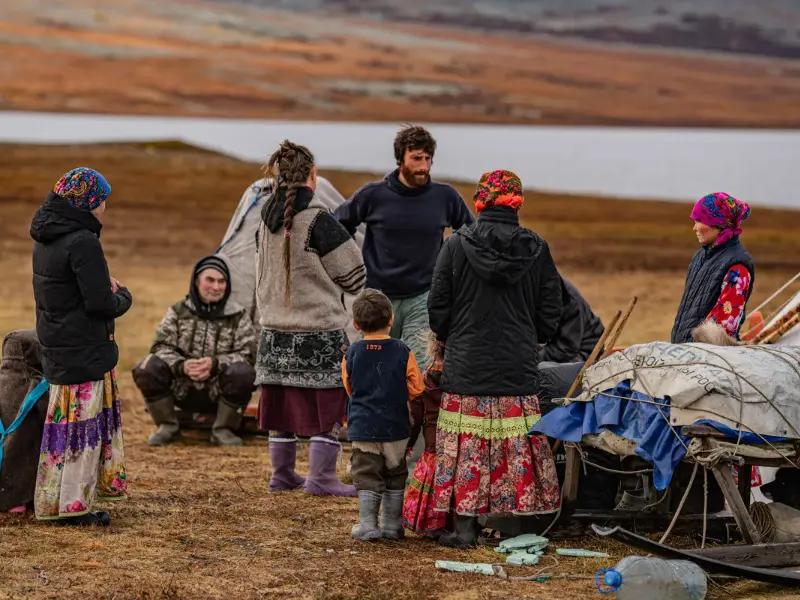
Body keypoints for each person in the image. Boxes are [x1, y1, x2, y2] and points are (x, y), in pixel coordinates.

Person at [427, 169, 563, 548]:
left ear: (480, 202)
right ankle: (516, 526)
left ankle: (466, 528)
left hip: (467, 364)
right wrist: (533, 337)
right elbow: (552, 307)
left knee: (469, 449)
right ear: (517, 203)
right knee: (514, 446)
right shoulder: (537, 248)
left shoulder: (455, 246)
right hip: (516, 364)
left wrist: (449, 336)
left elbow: (438, 304)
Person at [255, 140, 366, 496]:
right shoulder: (320, 220)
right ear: (312, 176)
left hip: (273, 332)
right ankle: (321, 479)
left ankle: (282, 475)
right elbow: (354, 276)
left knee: (282, 407)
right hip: (318, 331)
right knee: (327, 406)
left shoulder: (265, 220)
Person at [30, 167, 132, 526]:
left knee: (62, 429)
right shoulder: (83, 241)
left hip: (59, 345)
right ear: (89, 202)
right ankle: (73, 508)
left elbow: (68, 291)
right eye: (102, 199)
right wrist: (122, 296)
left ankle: (53, 500)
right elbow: (99, 304)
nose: (105, 206)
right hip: (83, 348)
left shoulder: (47, 237)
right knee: (82, 431)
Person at [334, 125, 473, 365]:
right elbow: (337, 225)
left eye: (428, 158)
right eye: (416, 158)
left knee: (418, 370)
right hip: (376, 298)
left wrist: (452, 272)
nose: (424, 166)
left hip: (423, 297)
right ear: (401, 159)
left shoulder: (445, 197)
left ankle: (412, 404)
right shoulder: (372, 195)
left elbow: (471, 235)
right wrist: (350, 265)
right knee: (372, 368)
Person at [132, 256, 257, 446]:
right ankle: (168, 426)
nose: (216, 287)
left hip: (219, 391)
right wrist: (182, 366)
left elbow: (248, 354)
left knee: (244, 372)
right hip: (181, 389)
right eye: (210, 280)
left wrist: (214, 365)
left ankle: (223, 429)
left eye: (221, 281)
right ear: (197, 282)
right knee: (146, 366)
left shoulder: (238, 316)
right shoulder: (178, 311)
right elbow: (160, 346)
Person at [343, 289, 424, 540]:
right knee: (395, 472)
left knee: (367, 473)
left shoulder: (352, 352)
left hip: (364, 425)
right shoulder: (403, 350)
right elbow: (417, 387)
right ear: (391, 319)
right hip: (396, 426)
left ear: (356, 324)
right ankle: (392, 525)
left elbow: (349, 386)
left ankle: (368, 524)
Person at [671, 192, 754, 343]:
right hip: (685, 355)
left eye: (700, 221)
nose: (694, 228)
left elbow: (723, 331)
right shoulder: (700, 257)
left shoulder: (737, 267)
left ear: (719, 224)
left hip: (707, 361)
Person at [402, 334, 447, 538]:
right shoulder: (465, 377)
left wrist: (409, 442)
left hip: (433, 445)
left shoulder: (428, 375)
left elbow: (416, 414)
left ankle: (432, 523)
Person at [540, 278, 604, 363]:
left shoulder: (567, 299)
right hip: (555, 348)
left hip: (584, 351)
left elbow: (565, 349)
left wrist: (532, 357)